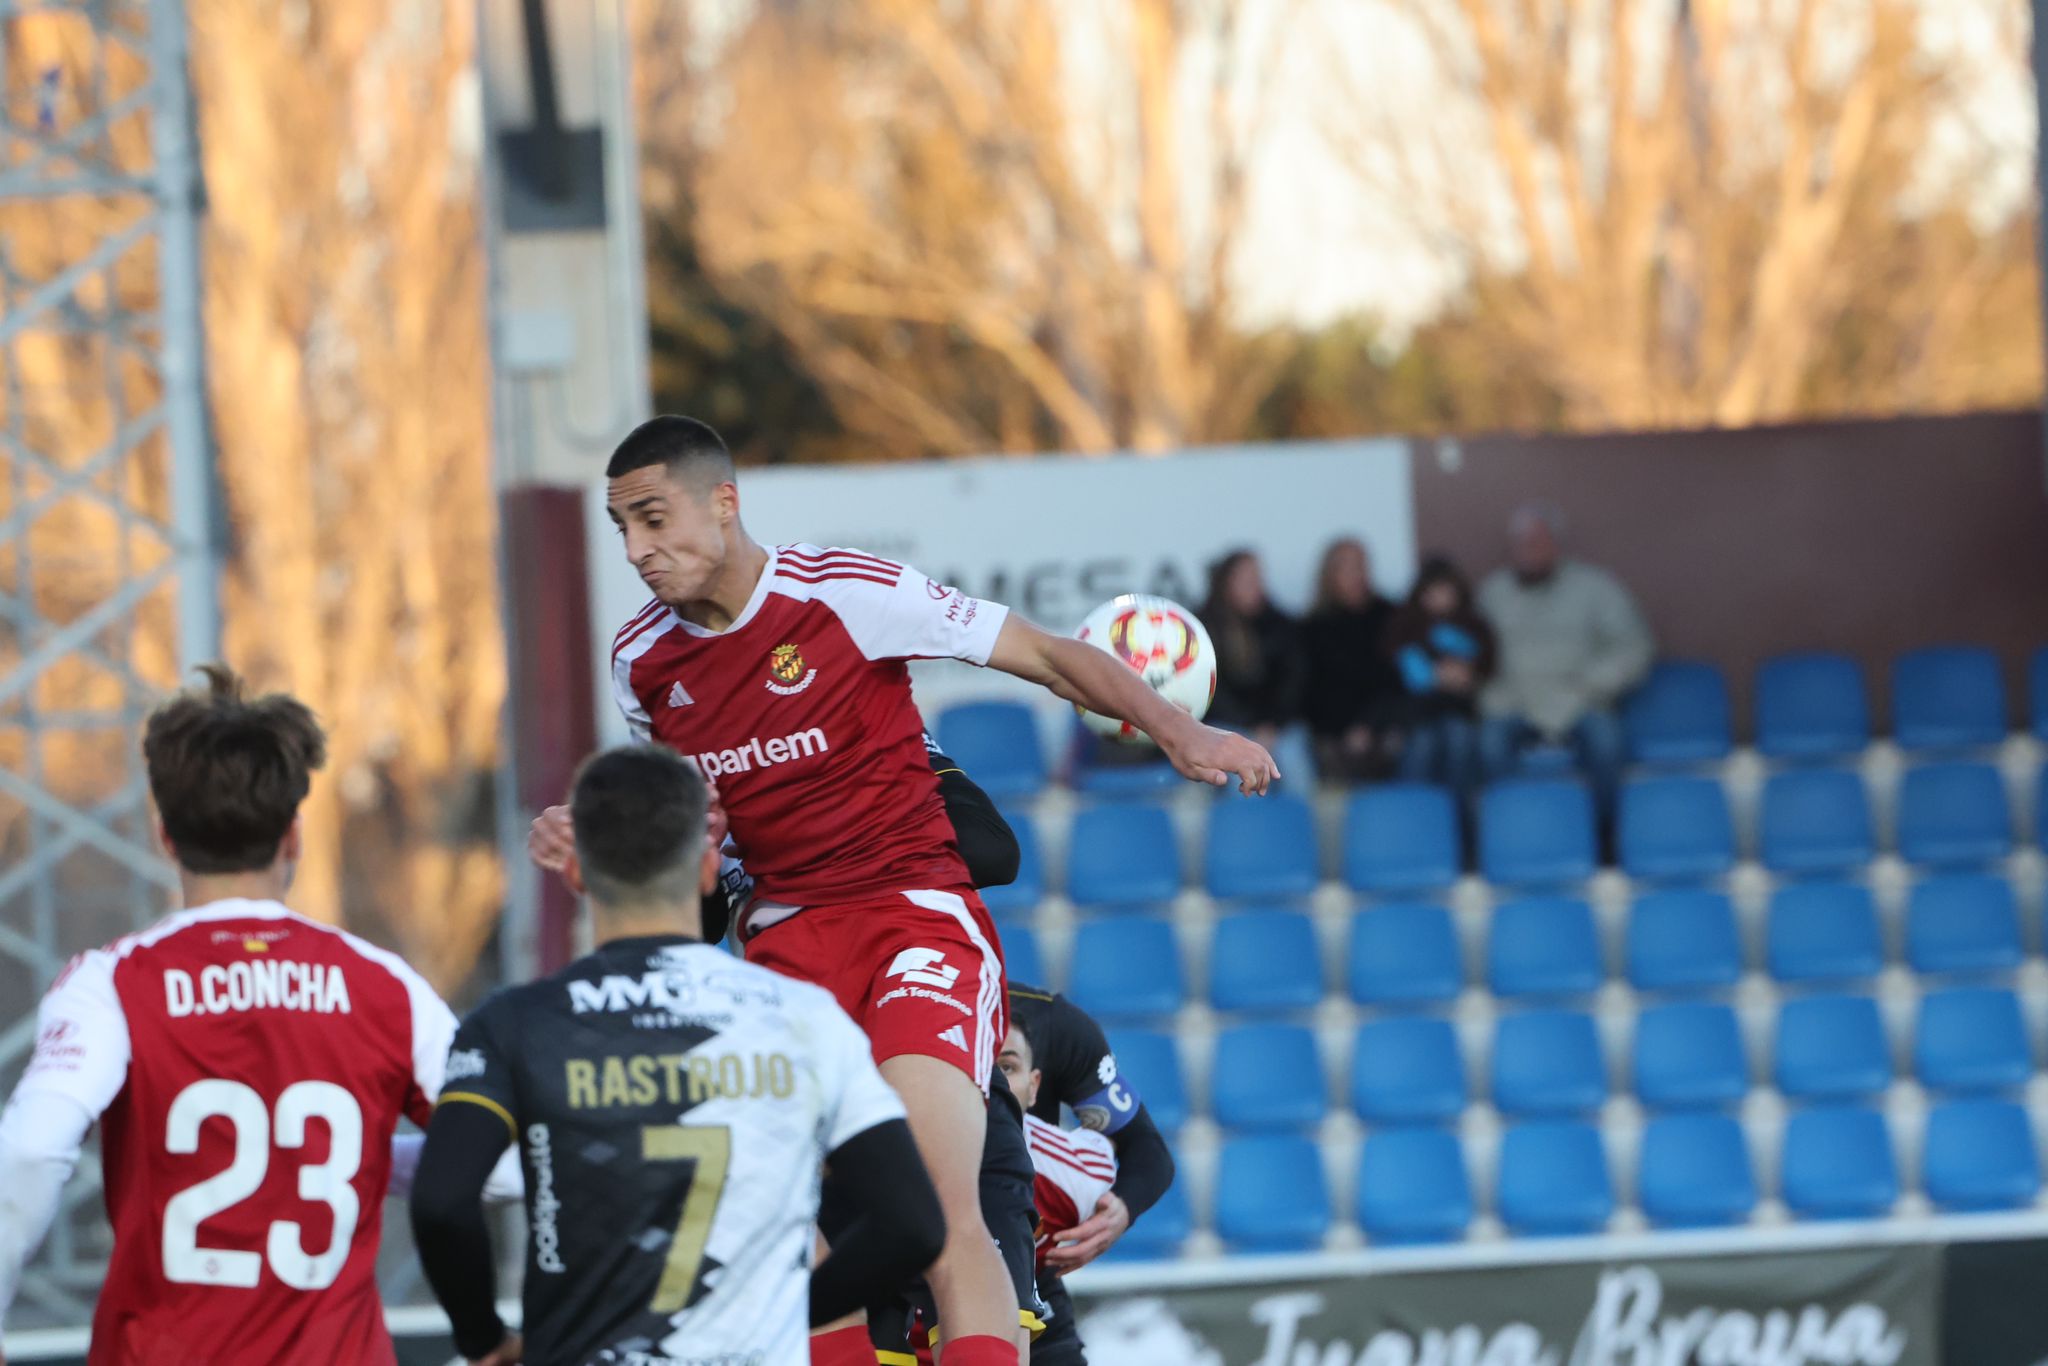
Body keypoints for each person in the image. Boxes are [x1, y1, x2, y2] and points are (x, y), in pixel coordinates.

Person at [530, 415, 1274, 1366]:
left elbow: (1046, 654)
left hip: (913, 918)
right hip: (784, 943)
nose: (636, 550)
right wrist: (589, 832)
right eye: (620, 528)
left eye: (652, 518)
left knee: (931, 1206)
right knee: (801, 1221)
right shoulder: (641, 661)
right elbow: (686, 830)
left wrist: (1180, 732)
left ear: (724, 502)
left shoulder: (845, 593)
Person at [411, 745, 946, 1366]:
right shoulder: (806, 1018)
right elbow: (914, 1224)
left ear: (578, 874)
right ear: (706, 870)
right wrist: (783, 1313)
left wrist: (484, 1340)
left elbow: (442, 1202)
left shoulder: (513, 1022)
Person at [0, 666, 474, 1366]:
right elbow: (497, 1164)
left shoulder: (112, 984)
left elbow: (33, 1149)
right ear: (294, 836)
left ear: (165, 835)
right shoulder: (385, 987)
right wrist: (371, 1159)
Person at [1476, 503, 1653, 819]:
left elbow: (1634, 646)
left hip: (1579, 701)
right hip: (1513, 702)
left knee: (1607, 743)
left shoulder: (1596, 587)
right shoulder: (1492, 593)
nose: (1528, 551)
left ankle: (1603, 840)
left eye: (1536, 542)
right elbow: (1470, 650)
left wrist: (1594, 684)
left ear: (1556, 545)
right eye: (1521, 544)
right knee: (1488, 745)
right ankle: (1512, 831)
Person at [1387, 555, 1496, 801]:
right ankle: (1416, 817)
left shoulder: (1474, 624)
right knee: (1422, 744)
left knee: (1459, 740)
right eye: (1431, 591)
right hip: (1419, 711)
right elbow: (1395, 663)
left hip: (1460, 708)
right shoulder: (1407, 625)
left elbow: (1487, 662)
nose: (1439, 597)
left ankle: (1461, 824)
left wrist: (1468, 672)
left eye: (1445, 590)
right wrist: (1431, 675)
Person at [1299, 537, 1401, 783]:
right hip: (1333, 732)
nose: (1357, 574)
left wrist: (1370, 725)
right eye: (1347, 567)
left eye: (1361, 565)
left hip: (1384, 725)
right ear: (1330, 573)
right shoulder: (1312, 628)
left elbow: (1396, 681)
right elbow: (1312, 691)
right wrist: (1347, 730)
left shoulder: (1391, 618)